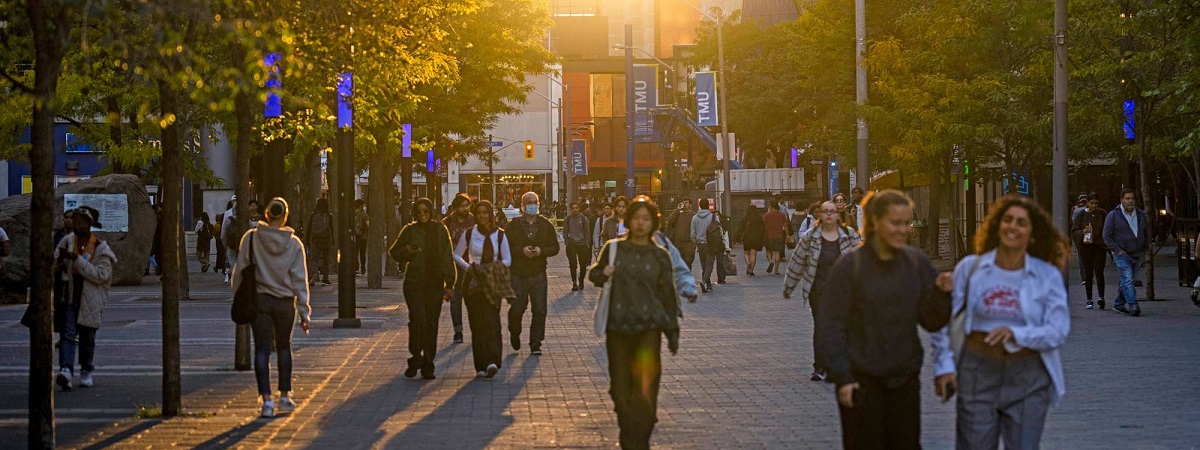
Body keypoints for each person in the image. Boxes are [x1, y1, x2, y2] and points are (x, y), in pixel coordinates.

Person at [931, 194, 1070, 449]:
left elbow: (1058, 330)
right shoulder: (971, 268)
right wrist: (944, 366)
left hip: (1028, 378)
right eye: (1007, 220)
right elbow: (945, 321)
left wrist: (1016, 334)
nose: (1013, 227)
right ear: (997, 225)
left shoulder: (1046, 275)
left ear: (1032, 232)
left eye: (1021, 222)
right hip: (977, 373)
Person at [816, 190, 953, 449]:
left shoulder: (916, 264)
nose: (903, 230)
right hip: (861, 383)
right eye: (895, 223)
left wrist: (943, 295)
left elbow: (932, 321)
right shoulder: (850, 267)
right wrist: (843, 376)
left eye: (907, 223)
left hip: (904, 381)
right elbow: (830, 324)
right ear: (876, 221)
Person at [587, 198, 681, 450]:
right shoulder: (613, 248)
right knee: (619, 389)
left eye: (646, 218)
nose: (641, 223)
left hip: (649, 330)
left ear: (653, 223)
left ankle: (637, 441)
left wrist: (672, 332)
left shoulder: (659, 255)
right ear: (628, 220)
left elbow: (667, 295)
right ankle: (631, 433)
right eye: (637, 217)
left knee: (645, 389)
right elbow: (593, 274)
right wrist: (602, 273)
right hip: (618, 328)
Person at [231, 198, 312, 418]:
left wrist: (236, 293)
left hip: (260, 300)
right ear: (285, 215)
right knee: (284, 347)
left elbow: (240, 270)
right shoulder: (294, 244)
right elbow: (299, 279)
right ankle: (285, 396)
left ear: (266, 214)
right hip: (286, 302)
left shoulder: (251, 238)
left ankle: (266, 401)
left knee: (262, 349)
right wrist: (305, 312)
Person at [783, 201, 861, 382]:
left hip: (843, 291)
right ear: (820, 215)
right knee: (822, 326)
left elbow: (862, 260)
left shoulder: (849, 235)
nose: (828, 215)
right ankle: (820, 367)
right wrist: (789, 286)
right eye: (825, 212)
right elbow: (797, 261)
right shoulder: (810, 237)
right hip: (818, 290)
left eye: (832, 212)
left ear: (837, 215)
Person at [388, 198, 456, 379]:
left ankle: (428, 362)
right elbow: (394, 252)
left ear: (431, 212)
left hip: (434, 283)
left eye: (426, 211)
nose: (422, 215)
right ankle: (415, 355)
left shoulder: (440, 230)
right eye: (419, 212)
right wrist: (408, 251)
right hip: (414, 282)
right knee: (418, 319)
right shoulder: (409, 231)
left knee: (431, 323)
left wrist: (450, 284)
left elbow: (447, 256)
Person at [54, 207, 116, 391]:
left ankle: (86, 369)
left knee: (88, 337)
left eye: (82, 222)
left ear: (90, 225)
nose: (77, 225)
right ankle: (65, 369)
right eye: (76, 221)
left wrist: (77, 260)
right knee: (67, 333)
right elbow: (54, 260)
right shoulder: (66, 241)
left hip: (90, 296)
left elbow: (101, 275)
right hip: (70, 295)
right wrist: (58, 264)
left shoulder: (100, 248)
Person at [452, 200, 511, 378]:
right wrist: (468, 267)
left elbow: (508, 259)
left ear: (491, 215)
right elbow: (456, 254)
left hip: (492, 280)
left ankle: (493, 360)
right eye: (479, 213)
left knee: (492, 320)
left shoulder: (499, 235)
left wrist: (494, 267)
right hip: (473, 280)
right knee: (477, 323)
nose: (482, 216)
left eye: (486, 213)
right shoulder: (470, 234)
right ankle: (480, 364)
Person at [506, 192, 561, 355]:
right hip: (518, 274)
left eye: (535, 202)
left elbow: (555, 247)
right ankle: (514, 332)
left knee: (540, 309)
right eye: (529, 202)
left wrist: (541, 251)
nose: (532, 205)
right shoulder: (513, 226)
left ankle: (535, 343)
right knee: (517, 308)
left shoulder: (545, 225)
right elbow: (505, 247)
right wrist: (521, 251)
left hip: (538, 273)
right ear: (522, 206)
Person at [1103, 188, 1150, 317]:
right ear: (1122, 200)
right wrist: (1117, 250)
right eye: (1127, 198)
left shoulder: (1141, 215)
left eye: (1132, 198)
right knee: (1128, 279)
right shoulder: (1113, 215)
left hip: (1137, 252)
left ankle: (1118, 303)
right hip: (1122, 254)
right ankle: (1133, 304)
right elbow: (1106, 236)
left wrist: (1144, 248)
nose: (1130, 201)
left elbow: (1147, 233)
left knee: (1129, 280)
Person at [443, 193, 475, 343]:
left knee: (472, 300)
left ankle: (476, 330)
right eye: (462, 206)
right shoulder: (447, 222)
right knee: (456, 301)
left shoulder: (474, 221)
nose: (465, 208)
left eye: (467, 205)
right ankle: (458, 331)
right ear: (455, 208)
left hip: (471, 265)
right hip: (453, 266)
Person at [1072, 194, 1108, 309]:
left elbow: (1108, 228)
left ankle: (1101, 297)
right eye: (1092, 203)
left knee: (1099, 272)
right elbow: (1074, 230)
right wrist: (1082, 232)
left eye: (1096, 203)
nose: (1094, 206)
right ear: (1088, 203)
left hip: (1099, 247)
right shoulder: (1081, 215)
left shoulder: (1102, 214)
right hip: (1086, 247)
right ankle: (1089, 299)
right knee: (1088, 273)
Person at [691, 198, 723, 293]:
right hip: (711, 244)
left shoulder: (695, 218)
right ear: (708, 206)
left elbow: (692, 234)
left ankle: (708, 285)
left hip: (700, 244)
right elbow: (719, 230)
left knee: (704, 264)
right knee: (710, 264)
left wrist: (696, 242)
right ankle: (705, 280)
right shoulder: (713, 217)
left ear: (700, 206)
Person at [306, 198, 335, 286]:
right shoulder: (329, 215)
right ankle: (325, 278)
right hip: (326, 240)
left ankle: (315, 274)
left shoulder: (313, 215)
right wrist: (332, 240)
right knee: (326, 259)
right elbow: (332, 228)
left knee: (314, 259)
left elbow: (309, 227)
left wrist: (307, 239)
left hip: (315, 240)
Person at [564, 201, 591, 291]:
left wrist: (587, 243)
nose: (575, 210)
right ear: (570, 209)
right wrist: (566, 242)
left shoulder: (584, 219)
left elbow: (587, 232)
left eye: (576, 208)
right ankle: (574, 282)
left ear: (579, 208)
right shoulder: (567, 219)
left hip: (582, 244)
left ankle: (581, 280)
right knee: (572, 264)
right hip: (571, 244)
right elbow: (565, 232)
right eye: (573, 208)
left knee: (582, 264)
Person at [664, 198, 697, 270]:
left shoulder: (694, 215)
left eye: (686, 202)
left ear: (690, 205)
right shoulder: (678, 214)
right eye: (683, 202)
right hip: (678, 242)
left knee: (688, 261)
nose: (684, 204)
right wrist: (677, 210)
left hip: (689, 243)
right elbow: (669, 220)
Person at [738, 204, 766, 276]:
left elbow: (740, 228)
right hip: (757, 238)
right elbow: (763, 229)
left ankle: (748, 263)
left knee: (746, 253)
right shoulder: (759, 218)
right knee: (753, 254)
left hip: (747, 238)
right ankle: (751, 271)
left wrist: (737, 237)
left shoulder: (745, 218)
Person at [763, 201, 789, 275]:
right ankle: (776, 270)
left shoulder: (766, 215)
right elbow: (785, 225)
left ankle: (770, 261)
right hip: (779, 236)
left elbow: (764, 226)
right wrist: (787, 235)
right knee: (777, 252)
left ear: (771, 206)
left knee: (768, 250)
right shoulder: (782, 215)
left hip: (769, 235)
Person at [1071, 194, 1090, 283]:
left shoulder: (1075, 209)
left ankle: (1084, 277)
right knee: (1086, 253)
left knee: (1082, 254)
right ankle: (1086, 276)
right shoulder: (1088, 209)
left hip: (1081, 232)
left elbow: (1073, 220)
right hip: (1087, 231)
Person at [221, 199, 239, 283]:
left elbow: (223, 234)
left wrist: (226, 245)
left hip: (231, 245)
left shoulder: (229, 217)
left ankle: (233, 278)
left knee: (232, 263)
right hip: (243, 246)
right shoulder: (246, 219)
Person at [354, 198, 369, 275]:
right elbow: (368, 225)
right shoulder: (364, 215)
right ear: (360, 206)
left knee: (355, 252)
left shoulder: (352, 214)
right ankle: (363, 268)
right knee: (362, 253)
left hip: (354, 236)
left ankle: (356, 267)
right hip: (363, 236)